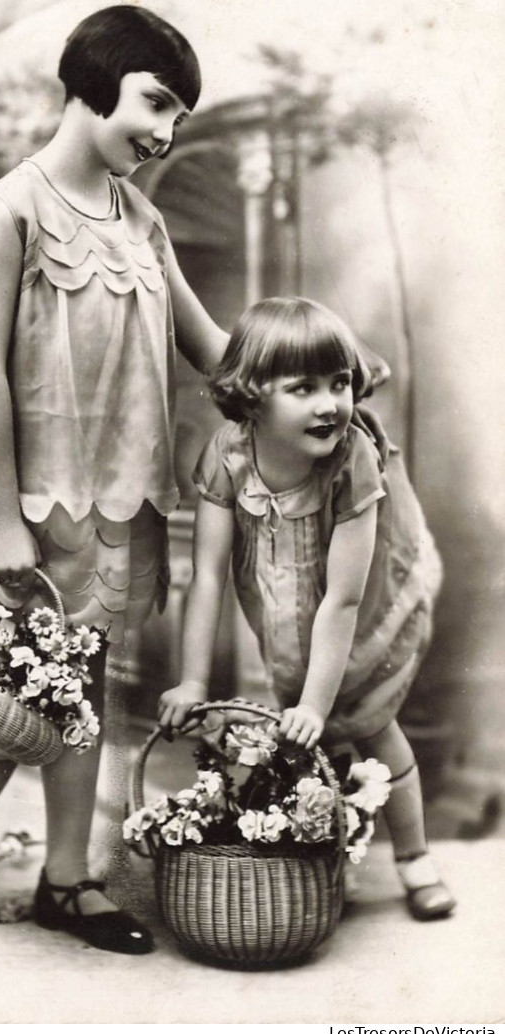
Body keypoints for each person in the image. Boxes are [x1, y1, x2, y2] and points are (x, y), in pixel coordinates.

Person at [0, 4, 228, 955]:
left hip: (121, 502)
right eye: (155, 102)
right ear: (91, 82)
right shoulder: (12, 207)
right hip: (30, 508)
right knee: (9, 689)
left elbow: (210, 348)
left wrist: (311, 369)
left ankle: (66, 881)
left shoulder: (143, 219)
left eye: (179, 119)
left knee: (86, 687)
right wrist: (4, 522)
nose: (162, 133)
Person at [158, 296, 455, 921]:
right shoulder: (228, 455)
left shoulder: (352, 459)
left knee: (369, 723)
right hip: (283, 609)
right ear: (254, 395)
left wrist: (316, 705)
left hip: (357, 611)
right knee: (294, 735)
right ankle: (310, 859)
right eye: (304, 387)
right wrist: (191, 679)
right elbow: (207, 575)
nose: (330, 403)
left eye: (340, 383)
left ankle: (415, 859)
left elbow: (344, 598)